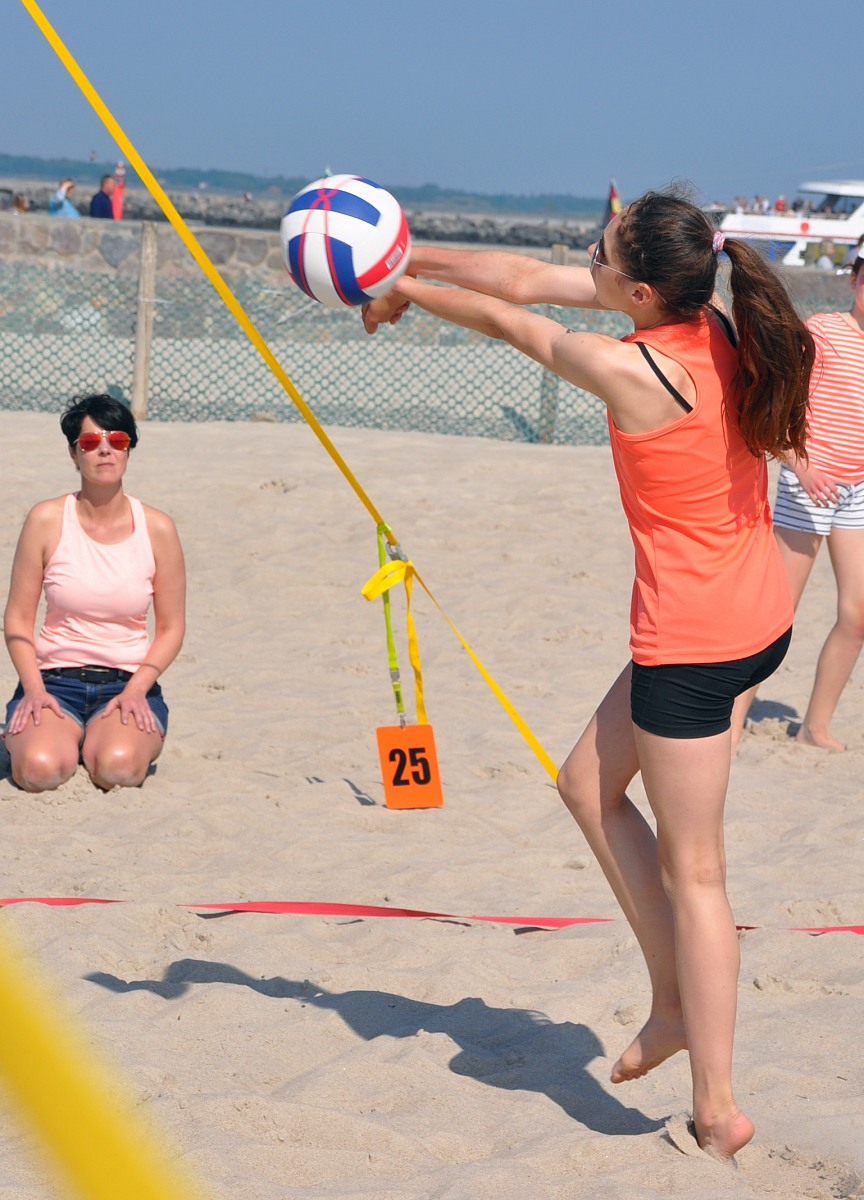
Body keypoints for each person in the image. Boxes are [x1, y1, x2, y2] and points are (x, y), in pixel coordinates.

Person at [362, 187, 814, 1162]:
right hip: (753, 612)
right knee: (585, 786)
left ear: (642, 290)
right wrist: (403, 257)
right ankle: (671, 1004)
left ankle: (718, 1106)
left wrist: (406, 290)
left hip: (696, 644)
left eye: (601, 252)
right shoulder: (715, 318)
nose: (589, 258)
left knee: (698, 872)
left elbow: (513, 320)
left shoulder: (633, 370)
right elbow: (524, 279)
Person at [3, 395, 186, 792]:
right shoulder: (46, 519)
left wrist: (137, 689)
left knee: (118, 769)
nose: (105, 450)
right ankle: (53, 738)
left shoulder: (158, 528)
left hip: (127, 683)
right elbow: (17, 618)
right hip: (53, 681)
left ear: (129, 450)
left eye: (117, 440)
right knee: (39, 771)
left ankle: (101, 740)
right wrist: (33, 689)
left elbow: (172, 628)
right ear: (74, 453)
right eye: (90, 442)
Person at [733, 251, 864, 751]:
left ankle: (815, 728)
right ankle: (730, 723)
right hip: (807, 483)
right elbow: (772, 402)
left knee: (858, 613)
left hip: (857, 492)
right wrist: (800, 466)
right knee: (776, 614)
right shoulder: (822, 331)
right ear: (853, 279)